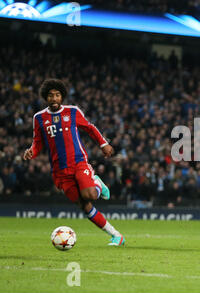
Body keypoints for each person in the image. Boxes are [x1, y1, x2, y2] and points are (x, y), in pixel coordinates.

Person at [23, 79, 125, 246]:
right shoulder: (39, 118)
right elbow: (38, 142)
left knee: (90, 194)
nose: (54, 98)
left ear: (62, 97)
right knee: (84, 205)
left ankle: (97, 183)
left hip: (78, 162)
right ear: (45, 98)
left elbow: (89, 128)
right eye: (50, 96)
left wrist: (103, 143)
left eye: (57, 95)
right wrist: (31, 152)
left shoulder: (72, 112)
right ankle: (116, 236)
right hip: (59, 171)